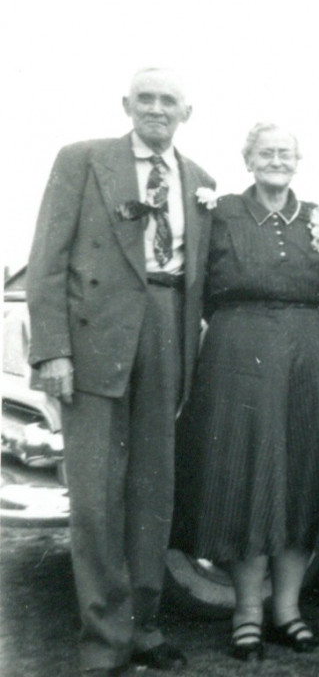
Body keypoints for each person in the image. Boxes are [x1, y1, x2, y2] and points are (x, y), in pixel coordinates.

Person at [26, 68, 215, 676]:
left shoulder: (200, 181)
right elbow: (47, 260)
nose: (157, 108)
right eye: (146, 98)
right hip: (94, 341)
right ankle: (105, 641)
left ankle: (145, 627)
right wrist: (52, 350)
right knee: (97, 497)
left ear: (187, 112)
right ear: (126, 104)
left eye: (169, 100)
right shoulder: (82, 160)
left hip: (167, 332)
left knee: (154, 491)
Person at [172, 123, 319, 662]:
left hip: (306, 351)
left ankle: (288, 609)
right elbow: (192, 281)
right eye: (265, 152)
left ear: (298, 160)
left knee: (299, 477)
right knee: (246, 477)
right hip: (237, 349)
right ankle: (247, 611)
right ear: (247, 159)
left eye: (285, 152)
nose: (276, 160)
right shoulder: (221, 211)